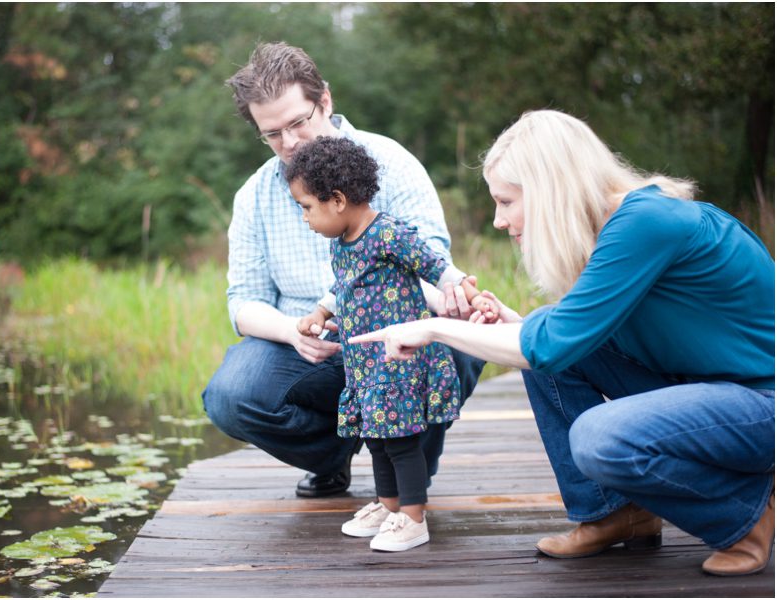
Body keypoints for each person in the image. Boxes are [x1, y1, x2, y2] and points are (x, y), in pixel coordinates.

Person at [350, 110, 775, 575]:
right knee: (542, 347)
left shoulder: (648, 222)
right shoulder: (622, 224)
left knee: (600, 439)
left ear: (550, 188)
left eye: (507, 201)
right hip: (712, 393)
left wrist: (431, 327)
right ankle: (615, 513)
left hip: (759, 404)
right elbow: (564, 337)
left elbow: (550, 343)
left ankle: (745, 516)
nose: (498, 219)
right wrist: (511, 326)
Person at [202, 42, 485, 498]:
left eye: (298, 122)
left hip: (394, 335)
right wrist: (294, 331)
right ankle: (336, 455)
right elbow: (244, 303)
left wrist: (453, 305)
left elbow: (432, 263)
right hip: (311, 350)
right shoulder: (253, 196)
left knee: (460, 339)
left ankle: (409, 480)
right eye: (272, 133)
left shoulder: (392, 163)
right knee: (230, 395)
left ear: (325, 101)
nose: (289, 143)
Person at [287, 136, 488, 551]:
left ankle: (413, 518)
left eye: (307, 206)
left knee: (399, 440)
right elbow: (342, 287)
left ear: (337, 200)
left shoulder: (388, 234)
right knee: (377, 439)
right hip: (365, 363)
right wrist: (321, 313)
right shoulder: (340, 243)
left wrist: (469, 294)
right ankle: (389, 504)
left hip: (399, 360)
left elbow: (436, 266)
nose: (305, 217)